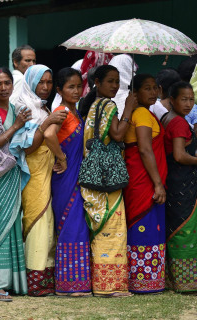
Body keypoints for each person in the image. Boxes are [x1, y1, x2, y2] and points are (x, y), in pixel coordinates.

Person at [78, 65, 136, 297]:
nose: (114, 86)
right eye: (110, 81)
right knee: (113, 226)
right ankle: (109, 286)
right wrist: (129, 109)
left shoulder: (92, 105)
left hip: (93, 177)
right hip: (106, 176)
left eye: (117, 81)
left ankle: (102, 283)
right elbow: (118, 134)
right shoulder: (108, 105)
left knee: (100, 226)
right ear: (97, 83)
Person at [10, 64, 67, 297]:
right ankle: (34, 279)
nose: (45, 87)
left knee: (48, 222)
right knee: (37, 221)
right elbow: (29, 147)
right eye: (40, 82)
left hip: (47, 172)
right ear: (30, 83)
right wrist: (46, 123)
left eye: (49, 82)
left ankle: (45, 276)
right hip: (32, 173)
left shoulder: (43, 107)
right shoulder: (23, 108)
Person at [0, 67, 29, 300]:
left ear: (13, 85)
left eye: (7, 83)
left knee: (13, 226)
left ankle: (13, 281)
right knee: (0, 225)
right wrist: (16, 126)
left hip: (13, 174)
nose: (3, 88)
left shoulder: (15, 109)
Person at [45, 68, 91, 296]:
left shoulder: (76, 112)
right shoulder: (62, 111)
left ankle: (76, 282)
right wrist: (61, 157)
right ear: (60, 90)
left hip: (76, 175)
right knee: (70, 225)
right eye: (70, 87)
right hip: (64, 177)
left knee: (78, 223)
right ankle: (69, 285)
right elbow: (48, 135)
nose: (75, 90)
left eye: (78, 86)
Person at [123, 74, 167, 294]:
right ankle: (142, 281)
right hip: (144, 180)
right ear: (135, 93)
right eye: (146, 89)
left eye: (154, 88)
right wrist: (158, 184)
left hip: (145, 178)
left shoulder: (147, 113)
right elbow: (144, 149)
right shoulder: (140, 113)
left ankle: (149, 279)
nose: (152, 92)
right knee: (144, 222)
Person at [160, 81, 197, 293]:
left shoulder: (167, 118)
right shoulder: (180, 123)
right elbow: (180, 155)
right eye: (183, 99)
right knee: (185, 227)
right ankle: (186, 280)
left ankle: (172, 278)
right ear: (172, 100)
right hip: (182, 182)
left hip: (174, 181)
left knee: (175, 225)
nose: (188, 103)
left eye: (191, 99)